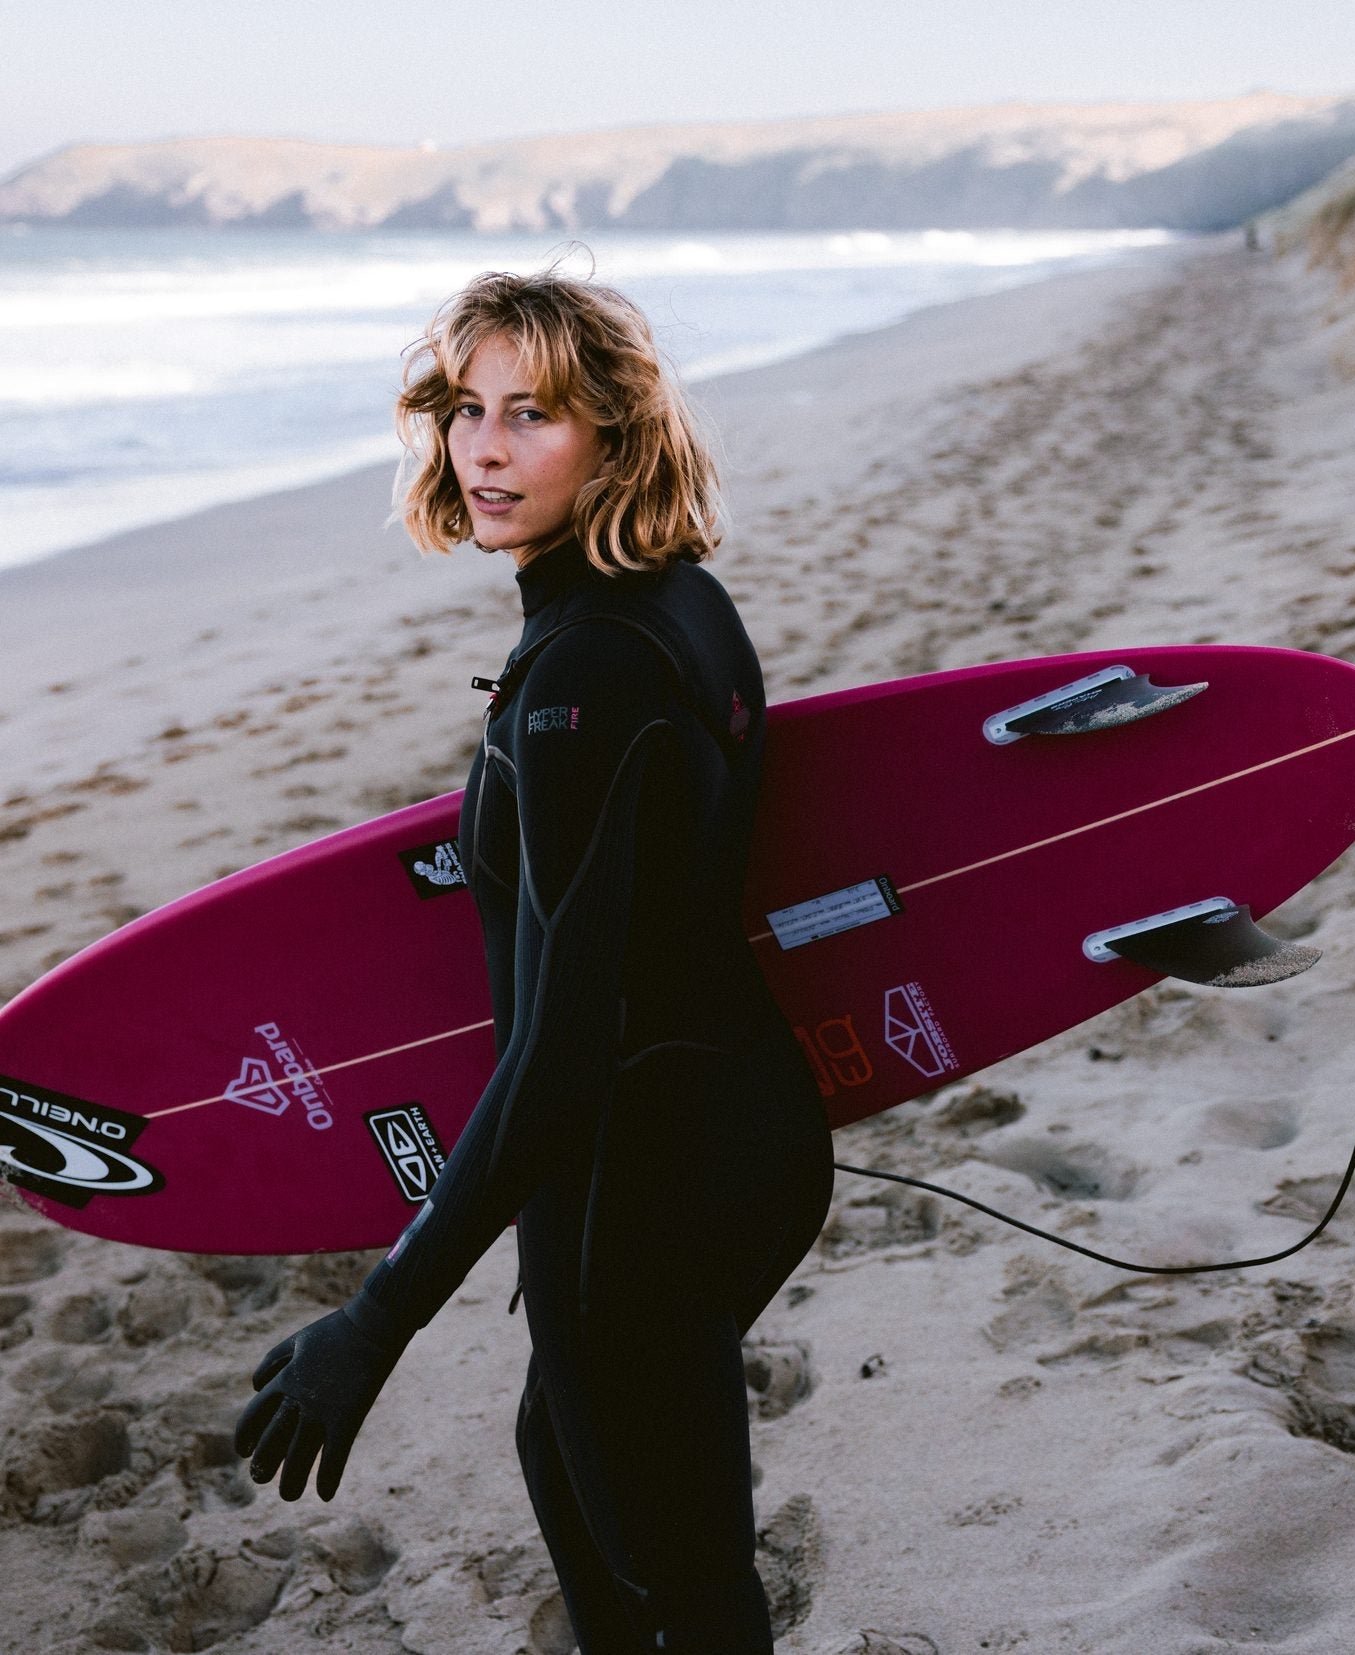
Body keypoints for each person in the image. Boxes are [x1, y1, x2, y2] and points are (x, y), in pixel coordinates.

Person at [234, 266, 832, 1653]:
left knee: (664, 1587)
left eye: (532, 415)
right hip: (735, 1128)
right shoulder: (676, 602)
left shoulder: (583, 679)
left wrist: (371, 1324)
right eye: (464, 409)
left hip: (638, 1169)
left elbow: (559, 1054)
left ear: (613, 435)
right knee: (588, 1478)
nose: (485, 450)